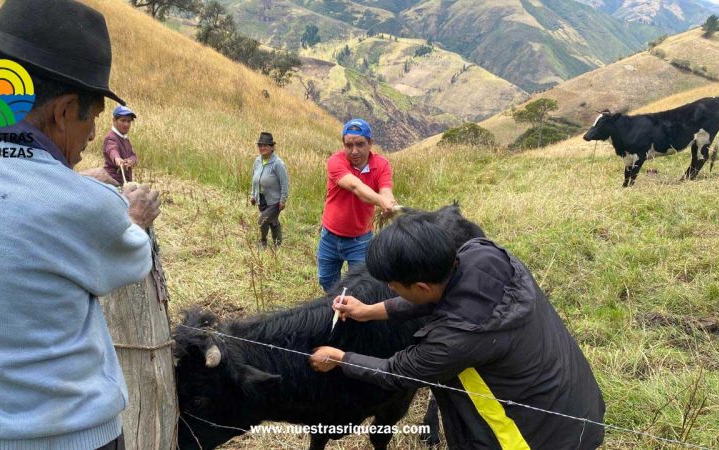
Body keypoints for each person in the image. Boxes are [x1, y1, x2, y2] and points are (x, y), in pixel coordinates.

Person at [0, 1, 161, 449]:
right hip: (65, 436)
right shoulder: (89, 208)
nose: (93, 136)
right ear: (62, 112)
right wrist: (134, 215)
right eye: (93, 118)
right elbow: (132, 253)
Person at [309, 213, 606, 449]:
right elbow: (440, 299)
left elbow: (395, 372)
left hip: (534, 438)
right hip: (577, 404)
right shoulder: (483, 254)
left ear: (421, 286)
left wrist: (340, 358)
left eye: (393, 285)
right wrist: (369, 311)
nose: (388, 288)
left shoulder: (453, 340)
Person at [317, 118, 398, 292]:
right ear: (343, 144)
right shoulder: (335, 162)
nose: (354, 151)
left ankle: (351, 313)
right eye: (349, 145)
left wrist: (388, 202)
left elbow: (385, 189)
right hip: (330, 236)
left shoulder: (381, 165)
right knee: (327, 282)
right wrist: (381, 201)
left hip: (360, 240)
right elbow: (355, 186)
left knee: (359, 287)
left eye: (360, 144)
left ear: (370, 143)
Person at [249, 131, 289, 248]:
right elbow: (254, 179)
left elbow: (285, 184)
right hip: (262, 198)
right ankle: (278, 244)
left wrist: (283, 200)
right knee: (273, 221)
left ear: (272, 147)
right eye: (260, 145)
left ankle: (263, 242)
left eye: (265, 145)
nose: (262, 148)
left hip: (275, 201)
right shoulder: (257, 161)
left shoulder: (278, 164)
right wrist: (253, 195)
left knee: (263, 220)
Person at [103, 105, 138, 186]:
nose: (126, 124)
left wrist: (131, 161)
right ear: (114, 120)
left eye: (129, 121)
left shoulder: (124, 138)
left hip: (124, 181)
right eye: (123, 120)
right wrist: (117, 159)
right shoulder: (111, 137)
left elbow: (133, 155)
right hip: (112, 181)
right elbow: (112, 150)